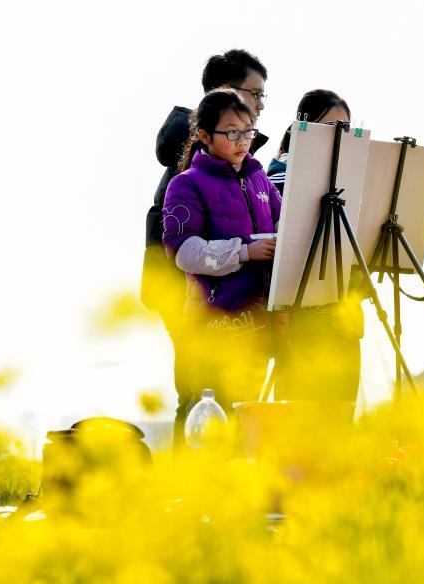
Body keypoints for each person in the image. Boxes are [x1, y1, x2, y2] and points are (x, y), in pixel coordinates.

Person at [143, 49, 271, 447]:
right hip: (197, 304)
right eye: (256, 93)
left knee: (234, 405)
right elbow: (181, 246)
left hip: (244, 310)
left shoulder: (252, 172)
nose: (261, 105)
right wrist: (244, 251)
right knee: (200, 403)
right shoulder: (189, 173)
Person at [162, 89, 282, 418]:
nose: (242, 140)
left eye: (247, 131)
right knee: (213, 425)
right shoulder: (186, 184)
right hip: (212, 331)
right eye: (232, 132)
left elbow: (287, 223)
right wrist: (244, 252)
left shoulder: (260, 179)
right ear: (204, 136)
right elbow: (184, 252)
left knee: (246, 425)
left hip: (257, 328)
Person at [266, 90, 363, 405]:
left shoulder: (352, 179)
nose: (339, 136)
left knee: (341, 419)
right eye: (331, 126)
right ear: (304, 125)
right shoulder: (276, 178)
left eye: (345, 129)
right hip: (300, 316)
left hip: (341, 314)